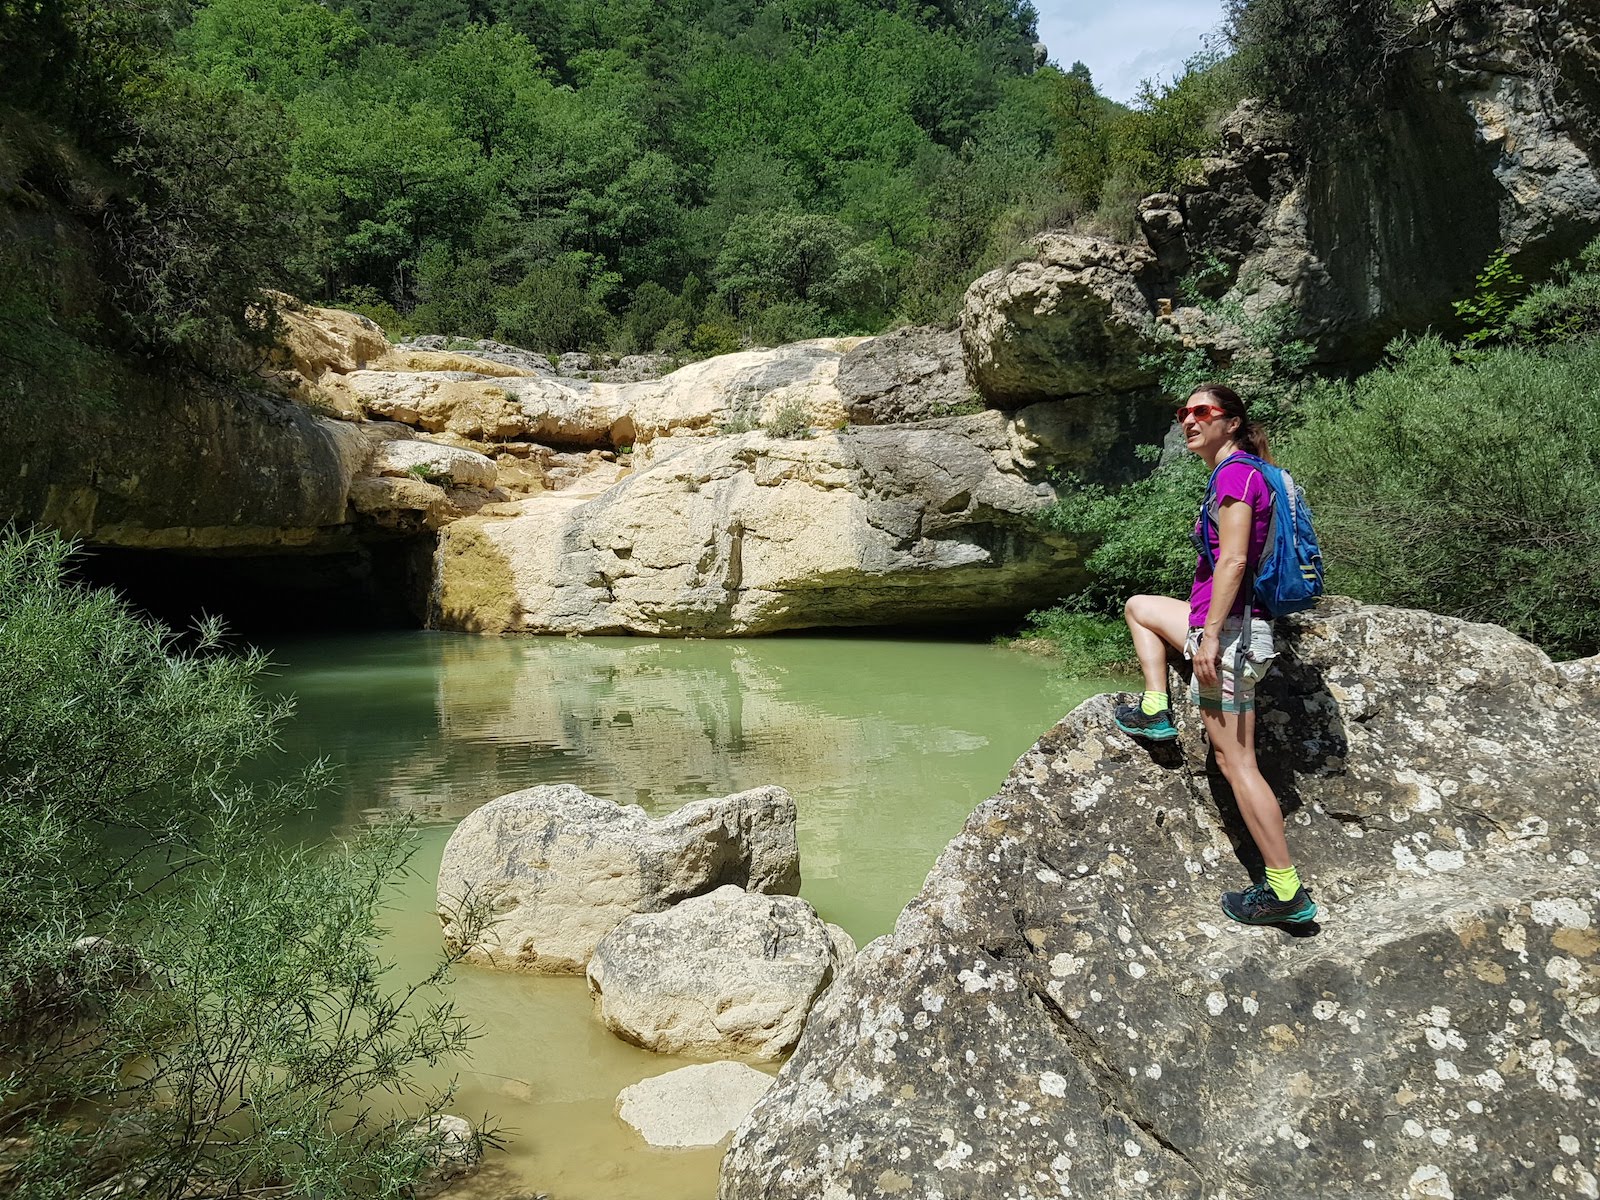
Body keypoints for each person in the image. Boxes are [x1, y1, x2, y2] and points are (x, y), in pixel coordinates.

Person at [1112, 383, 1317, 926]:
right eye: (1184, 412)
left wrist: (1205, 638)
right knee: (1140, 606)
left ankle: (1285, 890)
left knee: (1237, 763)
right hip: (1240, 630)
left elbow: (1232, 562)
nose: (1189, 420)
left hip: (1229, 635)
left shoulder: (1233, 475)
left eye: (1203, 411)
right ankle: (1155, 709)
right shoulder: (1248, 472)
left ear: (1231, 422)